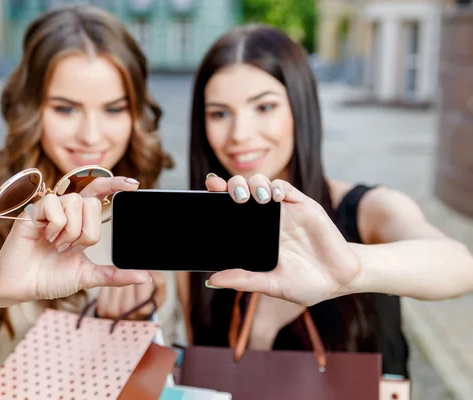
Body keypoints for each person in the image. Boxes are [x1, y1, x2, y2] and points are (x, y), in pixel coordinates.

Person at [0, 5, 178, 399]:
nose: (92, 135)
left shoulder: (149, 213)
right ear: (30, 107)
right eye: (65, 108)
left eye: (114, 109)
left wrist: (138, 315)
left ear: (137, 113)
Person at [176, 24, 473, 379]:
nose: (240, 134)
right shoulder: (199, 237)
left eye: (264, 107)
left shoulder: (365, 209)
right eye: (219, 113)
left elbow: (458, 265)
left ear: (301, 108)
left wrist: (352, 269)